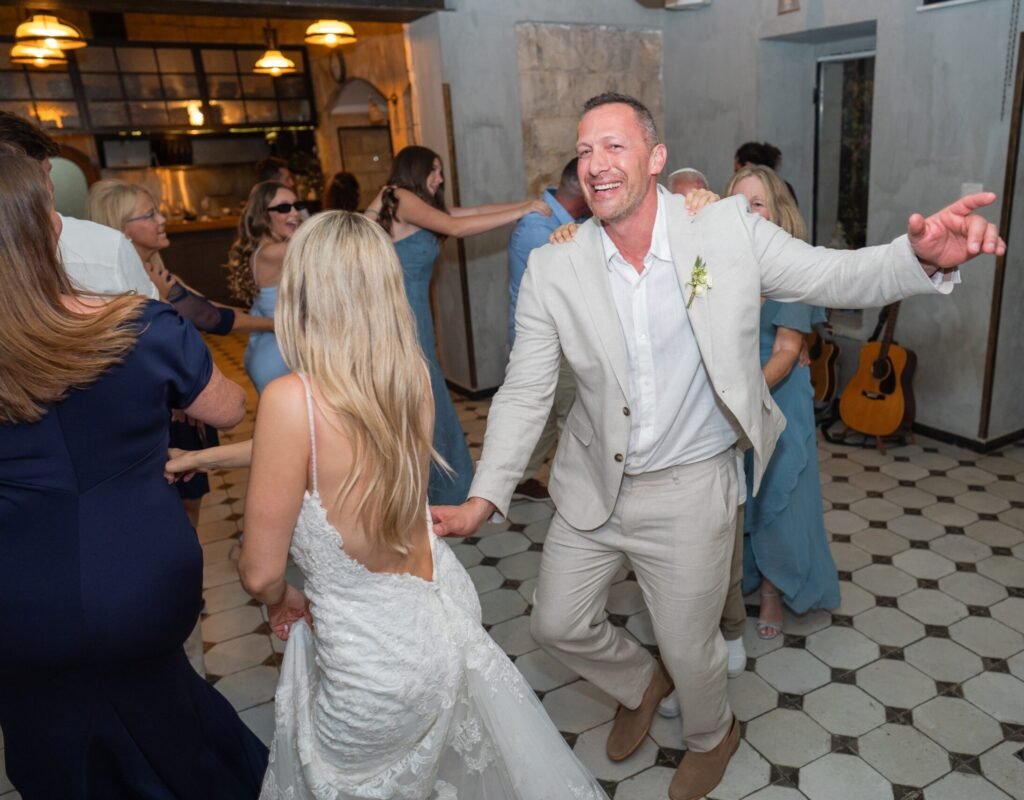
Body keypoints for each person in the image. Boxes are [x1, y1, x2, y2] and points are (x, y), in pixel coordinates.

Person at [431, 92, 1001, 800]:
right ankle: (640, 683)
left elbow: (832, 273)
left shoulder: (725, 231)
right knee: (555, 622)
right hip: (591, 481)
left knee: (692, 644)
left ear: (656, 157)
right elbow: (524, 389)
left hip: (692, 486)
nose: (598, 165)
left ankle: (712, 734)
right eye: (585, 151)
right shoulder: (557, 266)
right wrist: (486, 493)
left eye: (615, 145)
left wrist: (916, 257)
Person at [188, 210, 607, 798]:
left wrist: (284, 600)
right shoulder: (410, 373)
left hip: (375, 664)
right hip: (442, 612)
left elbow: (259, 571)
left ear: (304, 289)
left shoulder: (292, 401)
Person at [0, 144, 267, 798]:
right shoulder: (136, 325)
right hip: (138, 574)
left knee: (54, 740)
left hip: (18, 594)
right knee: (173, 727)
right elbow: (228, 408)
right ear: (44, 225)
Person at [365, 145, 550, 505]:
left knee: (426, 395)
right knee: (422, 395)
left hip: (415, 310)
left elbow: (472, 212)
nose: (440, 178)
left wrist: (522, 205)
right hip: (396, 315)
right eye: (434, 170)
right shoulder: (399, 196)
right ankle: (429, 491)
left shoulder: (414, 204)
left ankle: (436, 488)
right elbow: (455, 227)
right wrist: (525, 209)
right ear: (414, 170)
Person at [87, 178, 272, 529]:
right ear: (122, 231)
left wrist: (276, 324)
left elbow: (208, 312)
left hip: (190, 400)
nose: (161, 219)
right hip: (155, 409)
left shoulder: (156, 269)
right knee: (165, 509)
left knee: (191, 499)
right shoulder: (110, 285)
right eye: (150, 214)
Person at [725, 164, 840, 636]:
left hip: (777, 393)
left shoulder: (793, 268)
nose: (746, 213)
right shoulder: (724, 263)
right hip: (733, 392)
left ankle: (773, 591)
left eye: (756, 203)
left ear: (777, 211)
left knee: (776, 495)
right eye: (736, 204)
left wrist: (740, 394)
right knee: (741, 493)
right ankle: (745, 576)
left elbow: (788, 352)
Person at [0, 110, 156, 299]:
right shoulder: (106, 246)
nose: (52, 185)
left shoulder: (106, 245)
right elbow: (153, 321)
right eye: (45, 173)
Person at [507, 157, 589, 500]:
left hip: (565, 337)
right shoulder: (537, 228)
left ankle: (520, 477)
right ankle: (572, 494)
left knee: (548, 413)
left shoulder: (573, 220)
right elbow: (571, 288)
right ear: (583, 190)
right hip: (549, 341)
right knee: (570, 417)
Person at [226, 181, 304, 393]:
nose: (295, 213)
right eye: (283, 208)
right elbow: (324, 240)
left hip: (280, 350)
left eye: (297, 205)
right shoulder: (271, 253)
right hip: (277, 358)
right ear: (262, 216)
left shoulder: (274, 250)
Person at [733, 141, 798, 205]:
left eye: (757, 204)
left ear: (747, 166)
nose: (735, 176)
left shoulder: (777, 189)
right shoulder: (784, 187)